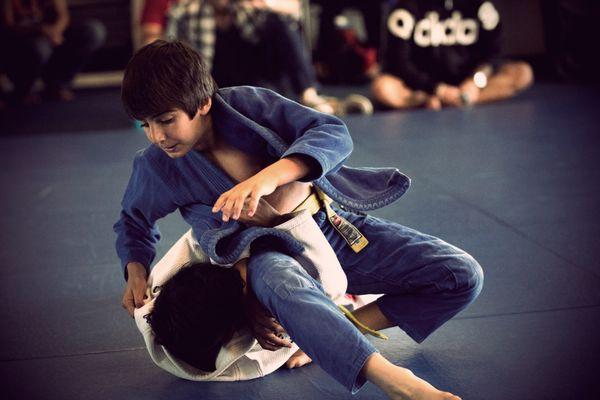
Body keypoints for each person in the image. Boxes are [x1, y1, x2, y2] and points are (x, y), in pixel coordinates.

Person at [115, 39, 483, 399]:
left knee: (461, 275)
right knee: (281, 282)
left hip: (330, 229)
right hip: (266, 257)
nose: (157, 136)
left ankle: (335, 329)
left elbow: (331, 132)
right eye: (144, 124)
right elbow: (134, 219)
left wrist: (267, 177)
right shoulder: (156, 166)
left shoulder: (247, 106)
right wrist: (135, 268)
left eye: (165, 120)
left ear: (204, 103)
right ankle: (395, 381)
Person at [138, 0, 372, 115]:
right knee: (254, 106)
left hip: (254, 72)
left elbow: (294, 10)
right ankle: (312, 106)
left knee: (279, 24)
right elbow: (178, 59)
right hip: (213, 82)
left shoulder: (247, 7)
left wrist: (259, 2)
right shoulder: (186, 13)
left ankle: (311, 97)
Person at [372, 0, 533, 110]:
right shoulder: (406, 8)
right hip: (423, 87)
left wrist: (475, 81)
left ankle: (463, 99)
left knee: (523, 73)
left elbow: (494, 52)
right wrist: (438, 89)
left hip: (470, 84)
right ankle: (428, 101)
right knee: (383, 88)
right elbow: (400, 63)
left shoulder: (481, 6)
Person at [0, 0, 106, 105]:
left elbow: (63, 16)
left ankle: (57, 84)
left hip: (53, 40)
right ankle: (23, 89)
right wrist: (41, 30)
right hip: (23, 45)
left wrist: (56, 31)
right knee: (41, 47)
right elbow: (8, 26)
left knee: (93, 31)